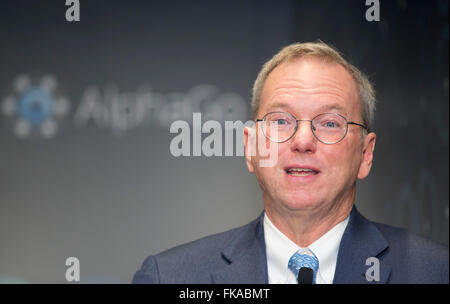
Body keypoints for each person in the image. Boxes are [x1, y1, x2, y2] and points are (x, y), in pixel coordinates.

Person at [133, 41, 449, 284]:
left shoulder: (433, 272)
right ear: (251, 147)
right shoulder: (171, 277)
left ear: (365, 155)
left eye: (329, 123)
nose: (302, 141)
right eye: (281, 121)